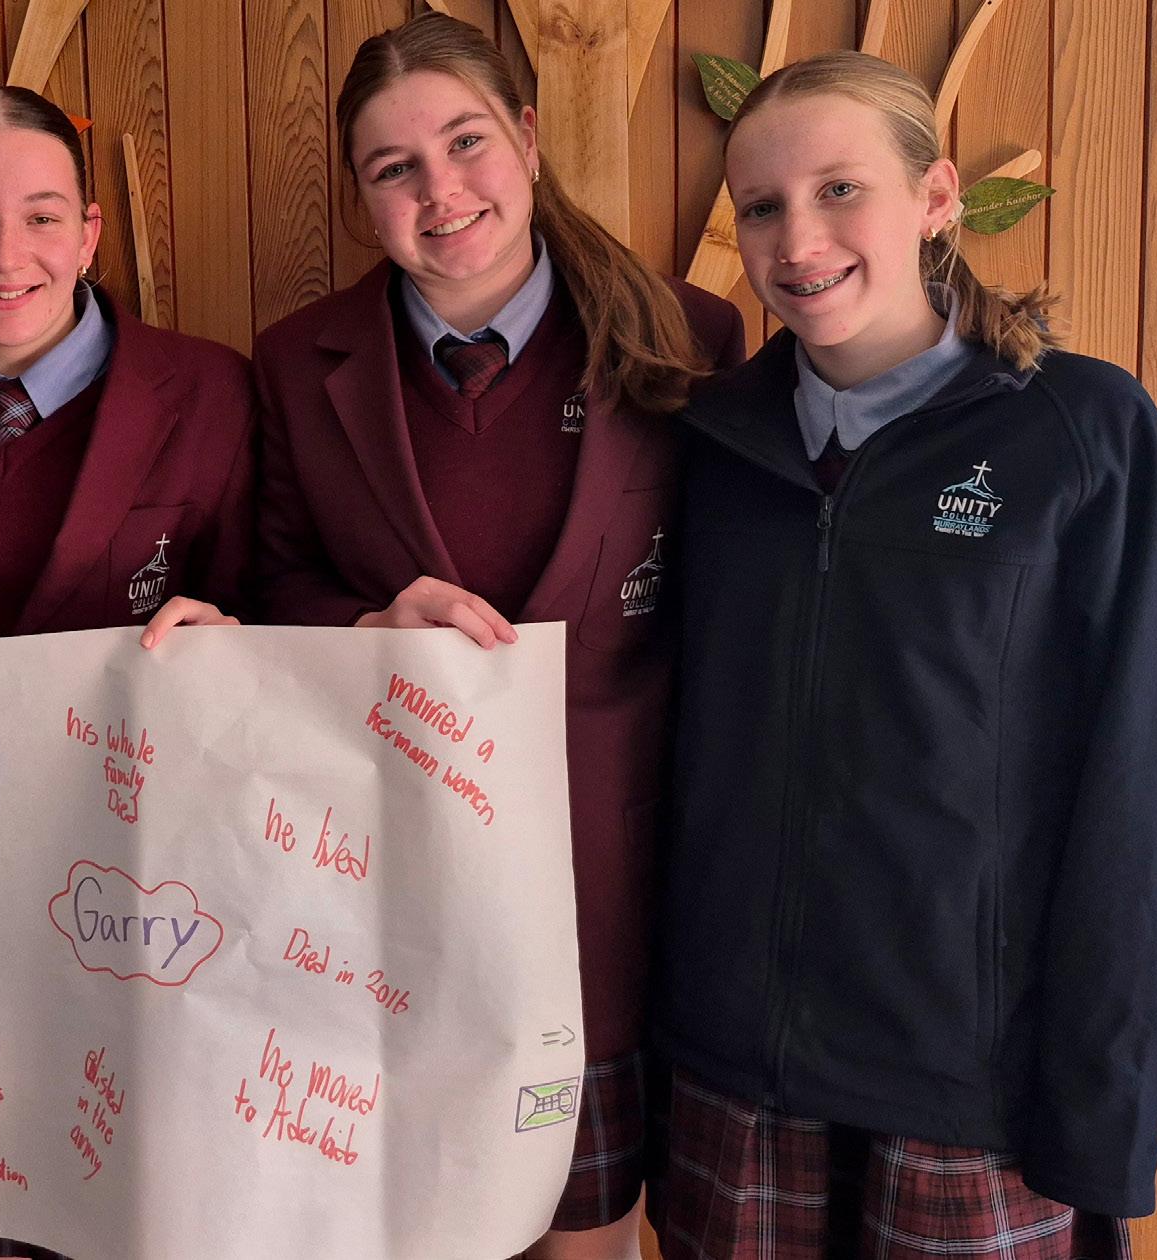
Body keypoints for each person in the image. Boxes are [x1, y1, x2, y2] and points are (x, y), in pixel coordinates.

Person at [648, 51, 1157, 1260]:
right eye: (762, 206)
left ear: (937, 197)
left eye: (840, 190)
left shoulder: (1086, 434)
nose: (799, 240)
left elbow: (1147, 791)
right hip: (735, 1083)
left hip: (971, 1101)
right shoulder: (710, 447)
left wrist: (1105, 1118)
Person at [251, 12, 743, 1257]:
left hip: (614, 896)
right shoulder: (294, 364)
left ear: (526, 138)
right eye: (394, 167)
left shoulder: (690, 337)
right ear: (362, 197)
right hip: (381, 907)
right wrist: (369, 626)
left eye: (465, 141)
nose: (441, 190)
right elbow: (268, 583)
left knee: (586, 1237)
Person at [0, 83, 257, 1260]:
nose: (5, 253)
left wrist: (233, 638)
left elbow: (268, 614)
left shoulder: (210, 391)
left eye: (41, 216)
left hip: (147, 902)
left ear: (91, 231)